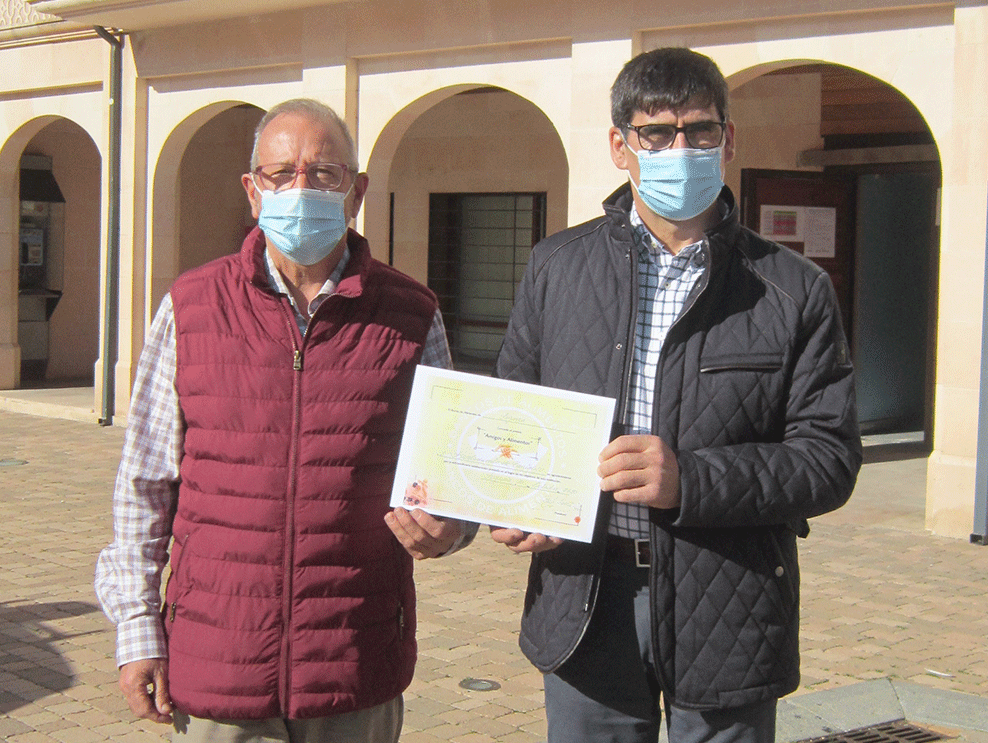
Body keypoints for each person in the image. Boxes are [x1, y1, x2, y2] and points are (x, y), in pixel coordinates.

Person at [492, 47, 861, 743]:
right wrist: (510, 500)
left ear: (728, 140)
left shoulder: (792, 288)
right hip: (584, 601)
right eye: (656, 133)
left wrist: (689, 479)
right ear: (620, 146)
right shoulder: (555, 267)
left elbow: (827, 460)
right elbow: (512, 412)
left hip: (728, 605)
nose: (680, 149)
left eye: (700, 130)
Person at [95, 98, 473, 742]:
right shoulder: (191, 307)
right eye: (281, 173)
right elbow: (144, 486)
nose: (302, 188)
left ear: (356, 192)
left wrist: (452, 528)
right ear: (253, 191)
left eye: (324, 174)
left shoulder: (412, 314)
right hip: (219, 662)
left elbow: (449, 475)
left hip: (353, 659)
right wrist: (136, 631)